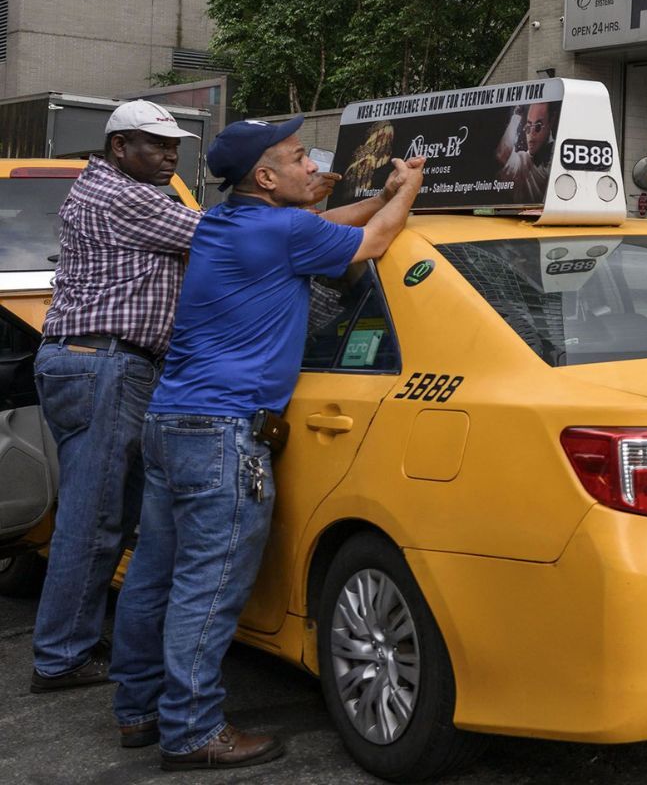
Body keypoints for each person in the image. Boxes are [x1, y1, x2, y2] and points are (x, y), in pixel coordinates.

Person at [108, 118, 423, 768]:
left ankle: (137, 711)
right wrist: (408, 189)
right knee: (207, 587)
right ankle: (192, 731)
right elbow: (376, 238)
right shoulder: (283, 231)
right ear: (266, 177)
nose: (313, 165)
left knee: (153, 577)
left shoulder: (227, 225)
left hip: (172, 423)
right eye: (299, 157)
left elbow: (331, 221)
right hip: (223, 434)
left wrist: (380, 193)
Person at [27, 101, 201, 694]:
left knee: (105, 513)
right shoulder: (123, 196)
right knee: (94, 518)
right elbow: (222, 239)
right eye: (155, 145)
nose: (170, 154)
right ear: (119, 148)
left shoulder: (111, 189)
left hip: (95, 362)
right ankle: (60, 657)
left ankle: (68, 638)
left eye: (174, 145)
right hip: (102, 362)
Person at [496, 100, 556, 203]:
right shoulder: (522, 162)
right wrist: (516, 116)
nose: (531, 134)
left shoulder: (561, 152)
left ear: (551, 122)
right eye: (528, 127)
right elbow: (502, 154)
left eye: (538, 126)